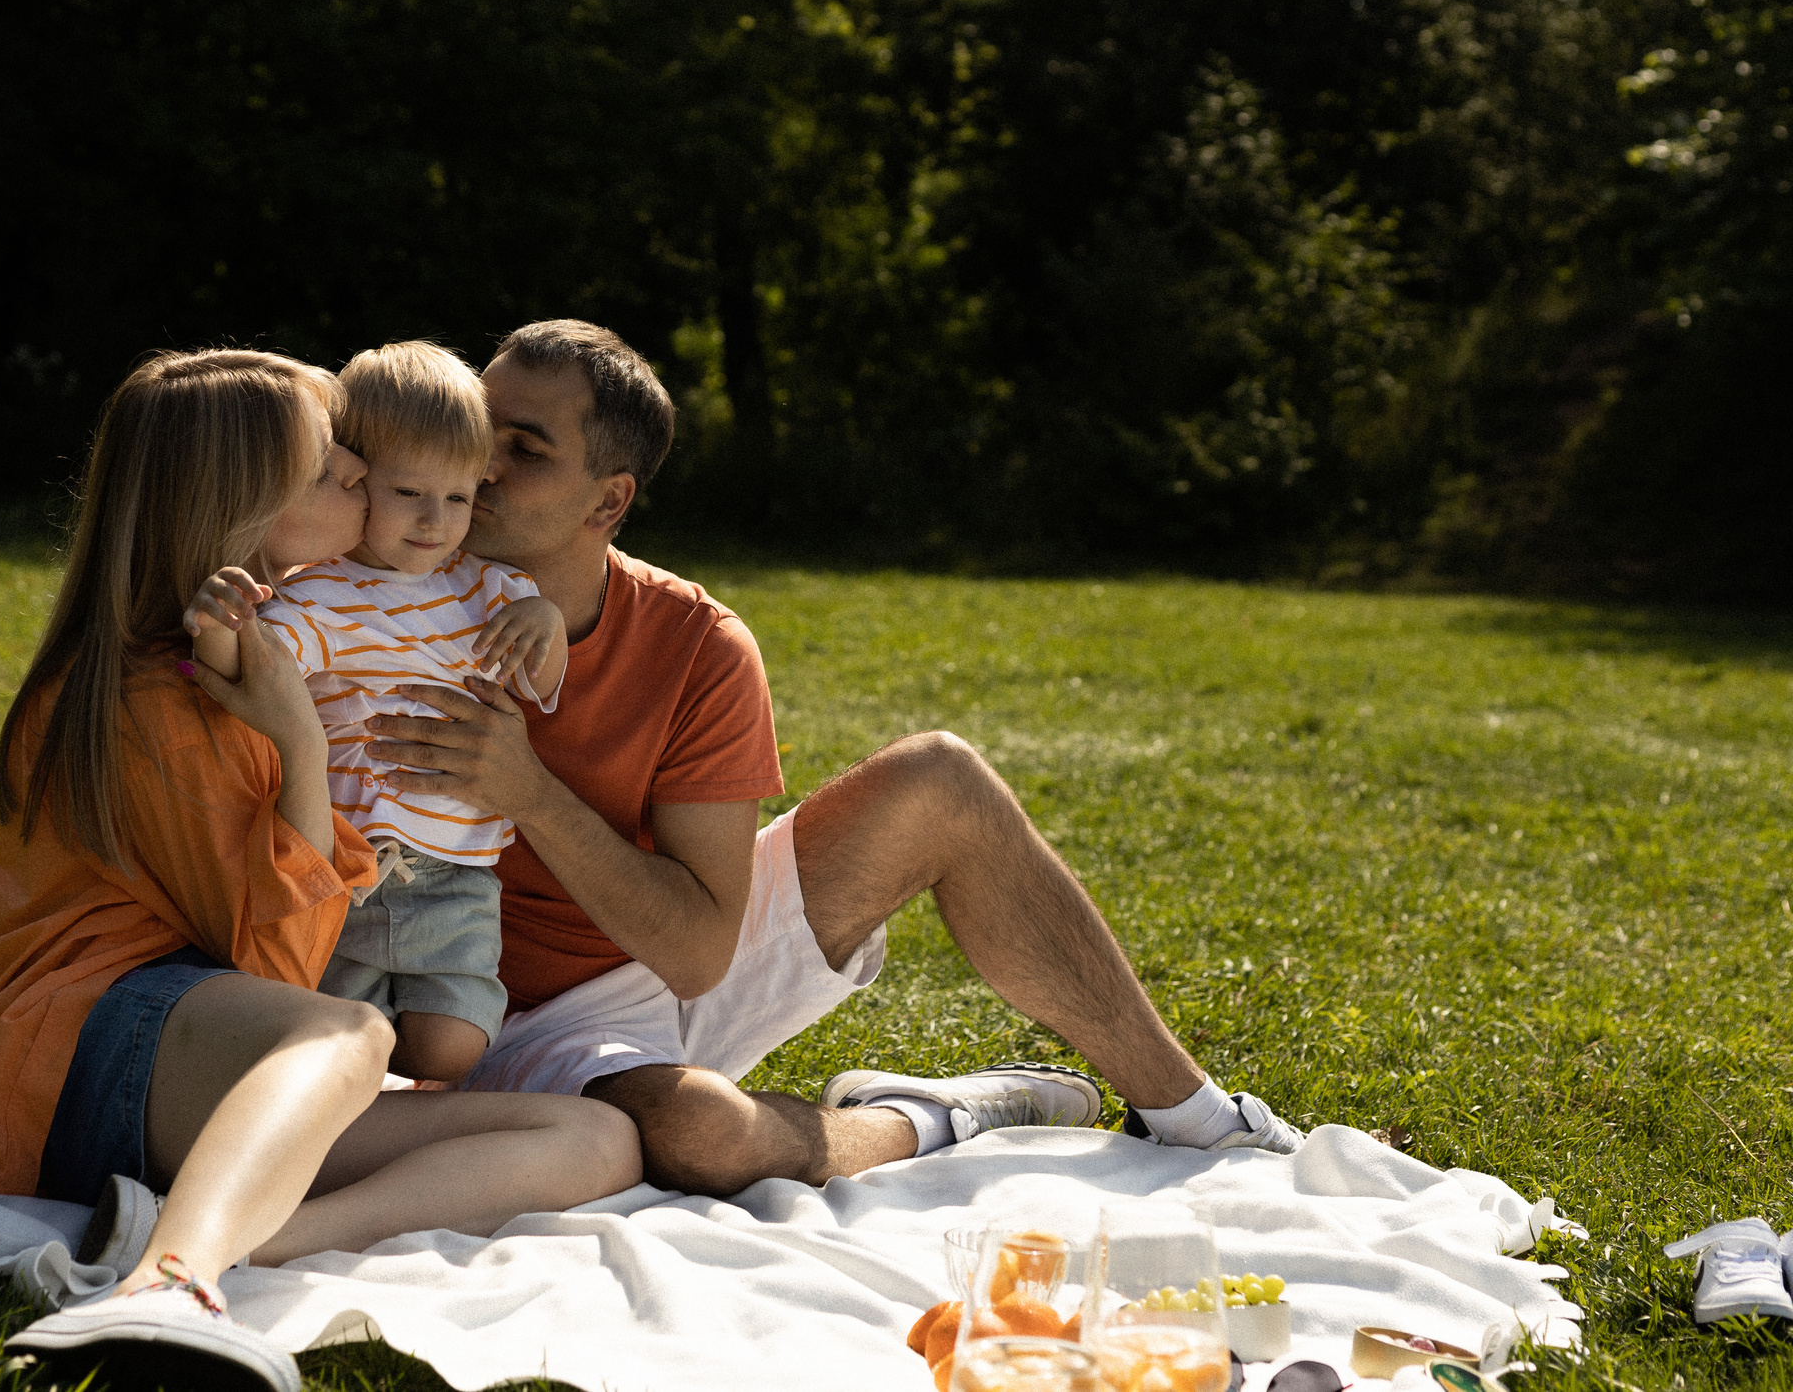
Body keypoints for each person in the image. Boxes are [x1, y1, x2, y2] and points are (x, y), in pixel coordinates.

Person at [363, 319, 1304, 1200]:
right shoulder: (367, 599)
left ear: (608, 500)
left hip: (663, 953)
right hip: (478, 1015)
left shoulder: (697, 643)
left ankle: (1203, 1120)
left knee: (939, 780)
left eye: (523, 448)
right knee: (701, 1132)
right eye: (477, 428)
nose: (478, 463)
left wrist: (528, 789)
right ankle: (932, 1117)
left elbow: (696, 954)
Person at [0, 348, 640, 1392]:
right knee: (349, 1025)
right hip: (89, 1048)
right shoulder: (163, 698)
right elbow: (283, 970)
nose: (363, 480)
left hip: (204, 1064)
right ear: (239, 507)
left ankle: (249, 1232)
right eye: (331, 471)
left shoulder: (261, 652)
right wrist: (300, 748)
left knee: (594, 1138)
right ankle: (169, 1283)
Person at [188, 340, 566, 1084]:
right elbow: (247, 675)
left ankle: (416, 1095)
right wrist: (219, 627)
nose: (434, 520)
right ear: (361, 482)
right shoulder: (314, 592)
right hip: (345, 868)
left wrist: (545, 624)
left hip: (455, 871)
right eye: (408, 494)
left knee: (452, 1044)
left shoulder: (491, 590)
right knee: (337, 1048)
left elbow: (540, 680)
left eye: (458, 498)